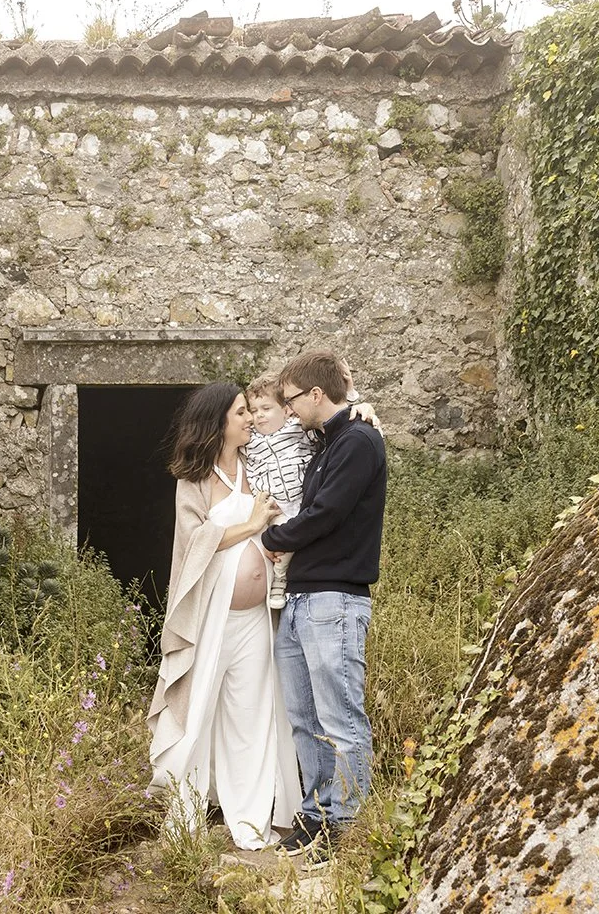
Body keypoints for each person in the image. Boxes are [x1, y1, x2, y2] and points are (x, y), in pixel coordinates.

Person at [146, 383, 301, 849]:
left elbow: (309, 433)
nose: (250, 419)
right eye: (240, 413)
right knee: (197, 712)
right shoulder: (193, 480)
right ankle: (184, 819)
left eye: (250, 411)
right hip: (211, 617)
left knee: (251, 714)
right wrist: (250, 525)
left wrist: (361, 407)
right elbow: (194, 541)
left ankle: (251, 822)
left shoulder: (260, 463)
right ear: (217, 422)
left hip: (256, 617)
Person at [260, 349, 387, 866]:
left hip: (335, 599)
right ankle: (315, 816)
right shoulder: (330, 440)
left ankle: (346, 827)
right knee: (304, 720)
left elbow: (325, 513)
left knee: (340, 718)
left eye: (292, 400)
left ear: (316, 394)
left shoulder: (358, 440)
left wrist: (273, 537)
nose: (288, 410)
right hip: (301, 599)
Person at [244, 368, 378, 611]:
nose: (259, 415)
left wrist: (356, 402)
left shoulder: (301, 431)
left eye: (267, 408)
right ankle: (279, 581)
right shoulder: (251, 440)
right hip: (276, 509)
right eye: (253, 410)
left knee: (286, 544)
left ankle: (279, 581)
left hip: (330, 587)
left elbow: (336, 425)